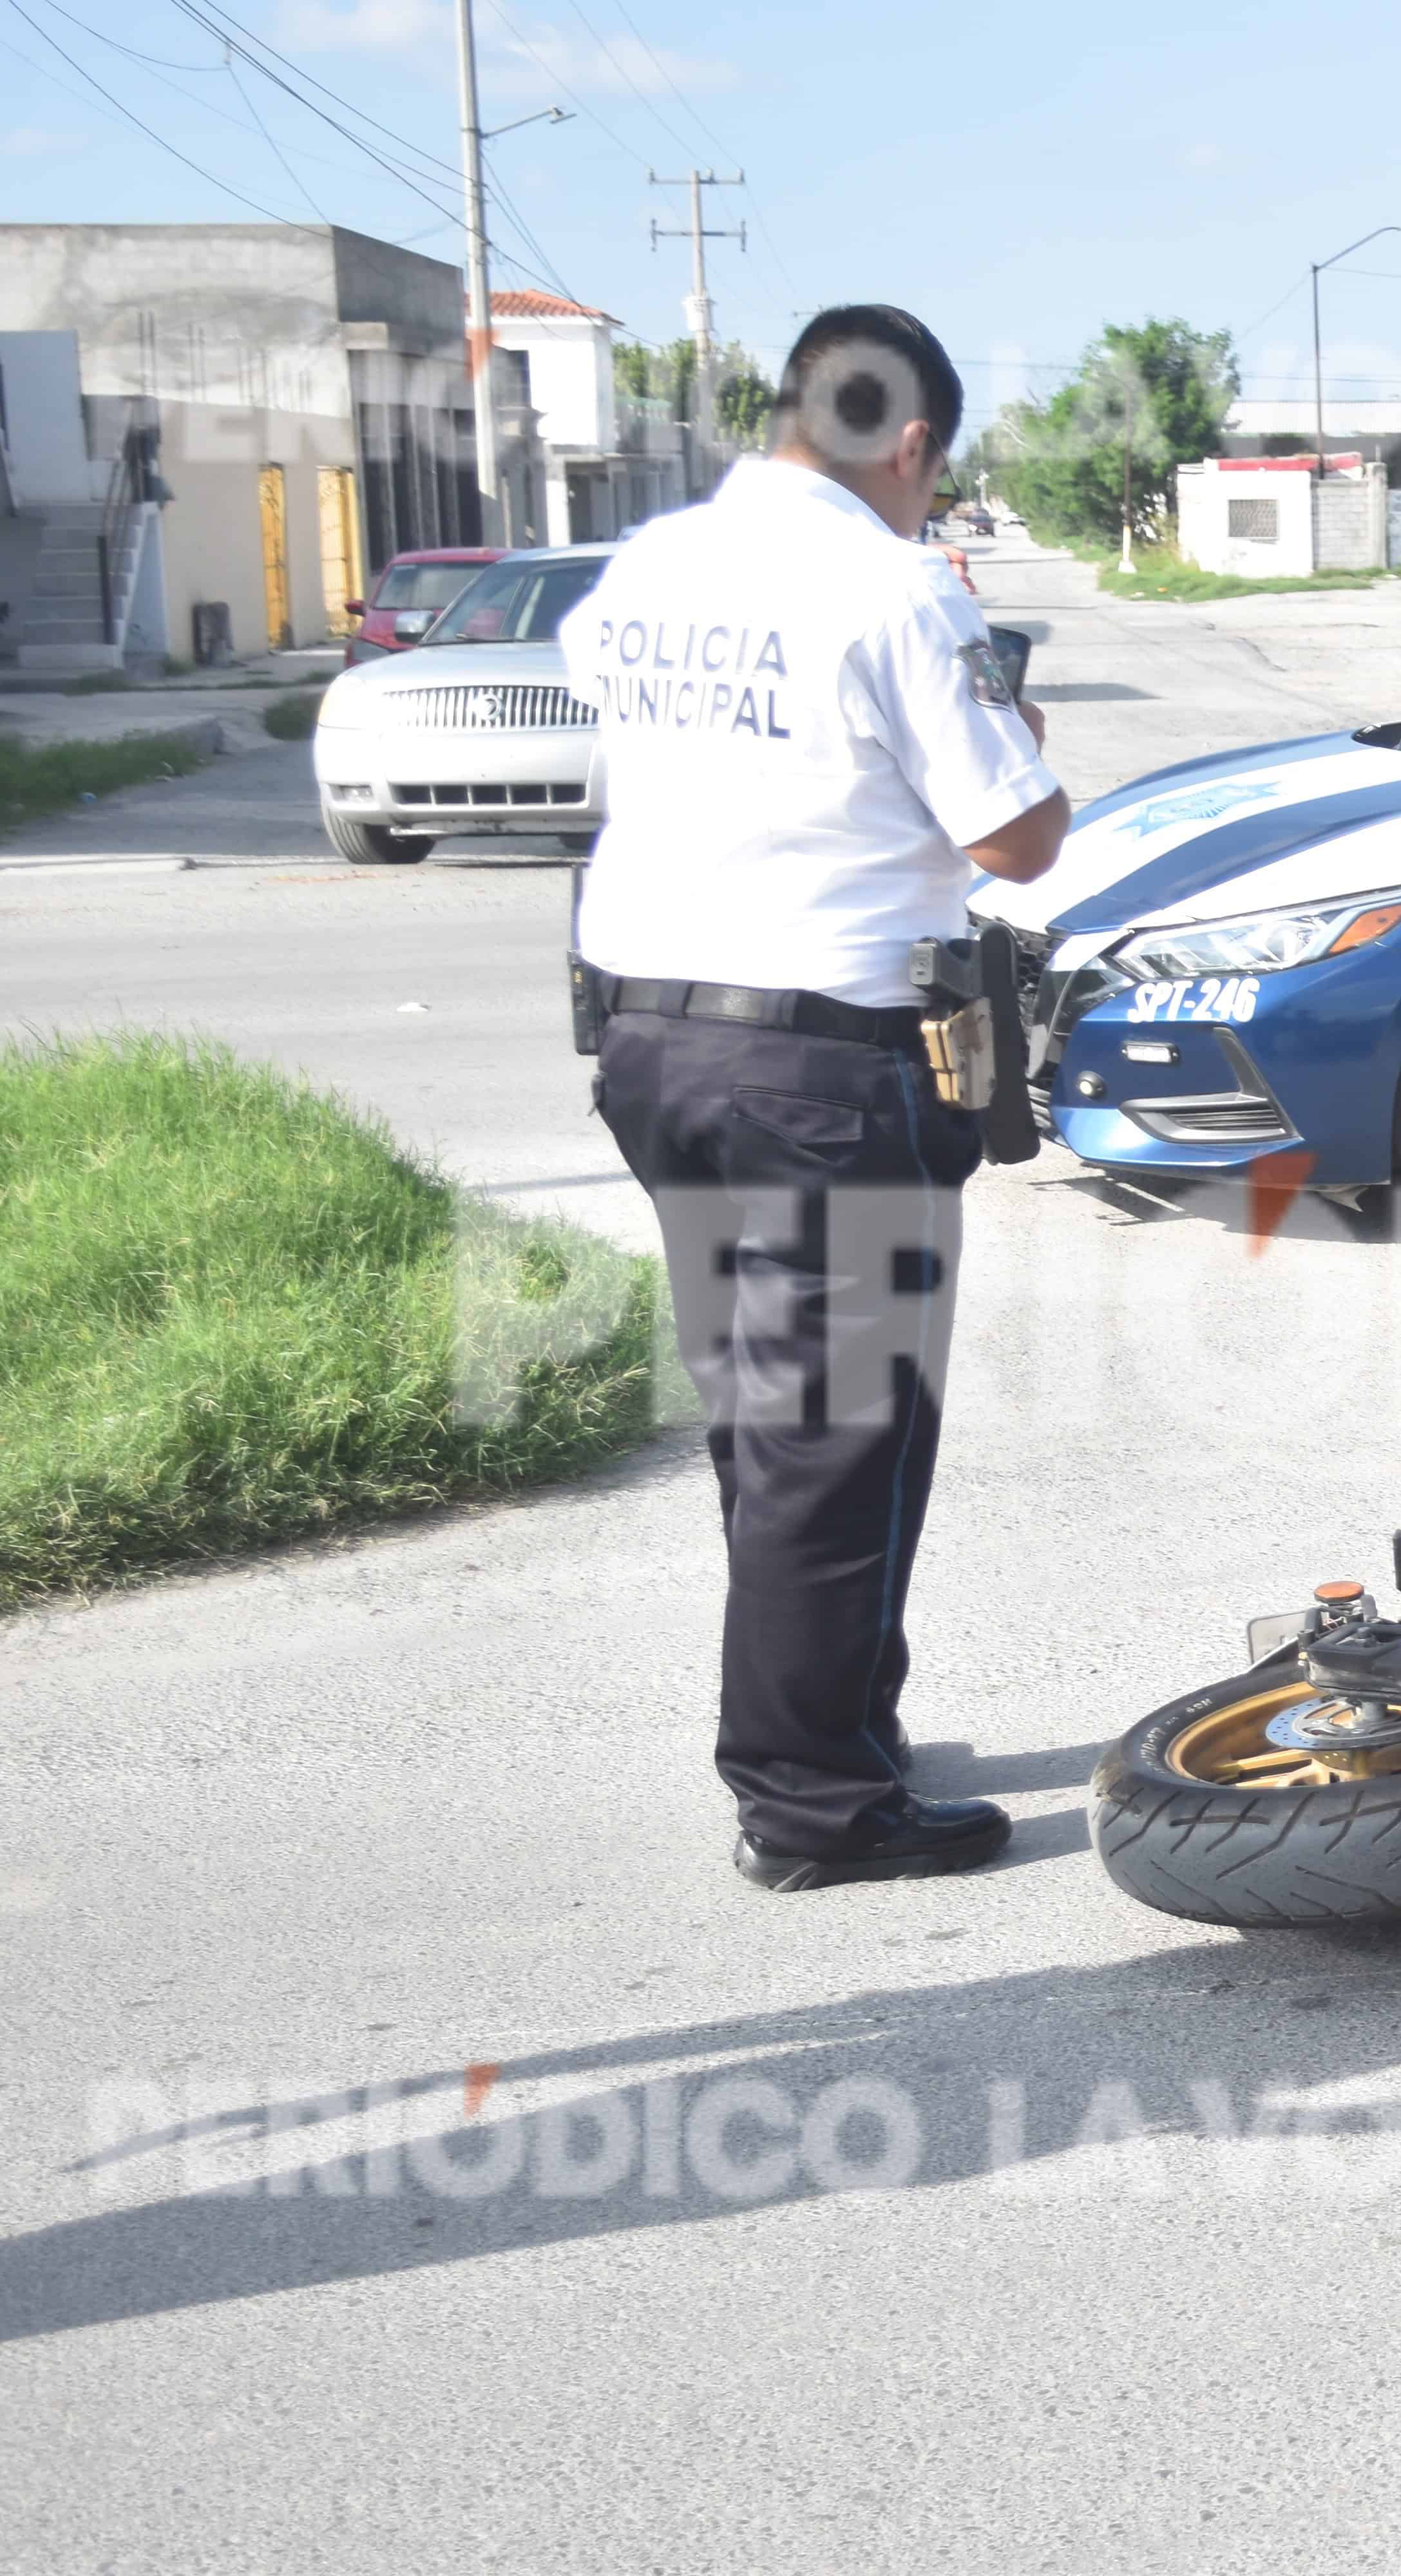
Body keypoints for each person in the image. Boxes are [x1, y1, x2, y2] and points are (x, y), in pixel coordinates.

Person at [564, 304, 1068, 1891]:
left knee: (765, 1418)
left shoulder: (646, 564)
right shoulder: (893, 586)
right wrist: (1015, 724)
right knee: (837, 1433)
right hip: (818, 1065)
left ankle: (838, 1719)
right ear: (911, 444)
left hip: (651, 1044)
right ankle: (813, 1800)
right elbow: (1018, 836)